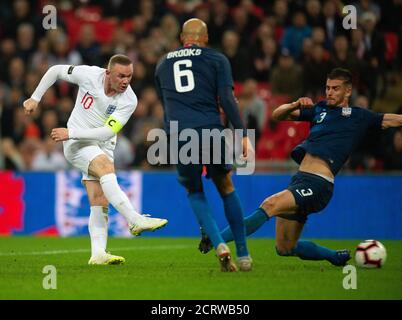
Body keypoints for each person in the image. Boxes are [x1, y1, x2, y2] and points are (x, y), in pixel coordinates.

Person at [200, 68, 402, 266]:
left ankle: (215, 239)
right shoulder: (319, 109)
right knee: (285, 248)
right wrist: (294, 104)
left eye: (335, 88)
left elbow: (391, 120)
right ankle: (334, 257)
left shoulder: (359, 116)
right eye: (327, 87)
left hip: (319, 183)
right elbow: (278, 115)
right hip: (300, 180)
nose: (330, 92)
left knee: (270, 205)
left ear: (348, 91)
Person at [23, 54, 168, 265]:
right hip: (77, 144)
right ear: (108, 73)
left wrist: (70, 131)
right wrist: (35, 98)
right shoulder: (89, 75)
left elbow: (105, 133)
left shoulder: (129, 100)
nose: (125, 81)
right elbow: (55, 71)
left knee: (99, 199)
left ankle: (98, 253)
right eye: (120, 76)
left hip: (100, 143)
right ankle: (134, 219)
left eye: (129, 76)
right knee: (105, 167)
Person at [154, 18, 252, 272]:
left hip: (178, 134)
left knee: (194, 191)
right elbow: (228, 100)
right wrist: (242, 134)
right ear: (206, 38)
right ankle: (243, 254)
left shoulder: (162, 64)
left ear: (181, 38)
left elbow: (166, 107)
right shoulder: (217, 59)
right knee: (225, 185)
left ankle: (219, 244)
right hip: (209, 129)